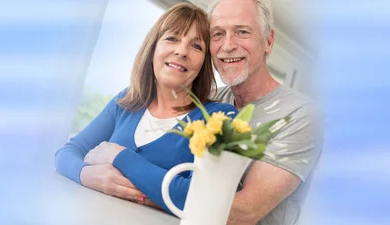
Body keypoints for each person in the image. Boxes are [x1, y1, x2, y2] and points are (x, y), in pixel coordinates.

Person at [54, 2, 237, 213]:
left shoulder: (220, 118)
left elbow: (203, 198)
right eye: (172, 38)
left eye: (196, 46)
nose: (181, 51)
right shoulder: (127, 101)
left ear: (204, 64)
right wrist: (86, 175)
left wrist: (120, 157)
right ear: (153, 48)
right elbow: (67, 153)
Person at [207, 0, 322, 224]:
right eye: (218, 34)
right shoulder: (209, 100)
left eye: (242, 32)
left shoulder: (302, 115)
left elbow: (244, 212)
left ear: (268, 41)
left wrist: (142, 191)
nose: (228, 45)